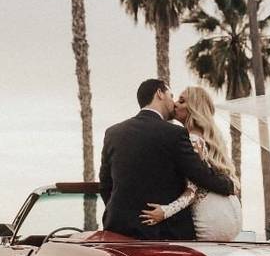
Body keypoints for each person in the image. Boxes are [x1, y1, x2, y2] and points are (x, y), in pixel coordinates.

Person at [99, 79, 235, 240]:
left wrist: (123, 212)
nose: (174, 103)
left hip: (119, 228)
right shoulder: (175, 134)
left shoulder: (113, 133)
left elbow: (105, 184)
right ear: (160, 93)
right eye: (171, 96)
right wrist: (228, 184)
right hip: (164, 233)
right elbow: (200, 175)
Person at [139, 86, 243, 241]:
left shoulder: (193, 140)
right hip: (230, 212)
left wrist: (164, 212)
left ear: (194, 109)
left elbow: (192, 191)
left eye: (182, 101)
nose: (175, 104)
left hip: (210, 217)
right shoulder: (204, 138)